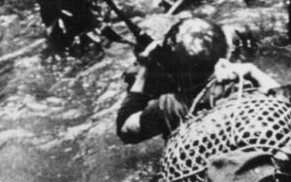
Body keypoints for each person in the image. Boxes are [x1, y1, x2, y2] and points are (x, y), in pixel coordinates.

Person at [116, 16, 282, 144]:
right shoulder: (244, 88)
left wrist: (144, 70)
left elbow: (125, 130)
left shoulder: (168, 106)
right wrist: (252, 71)